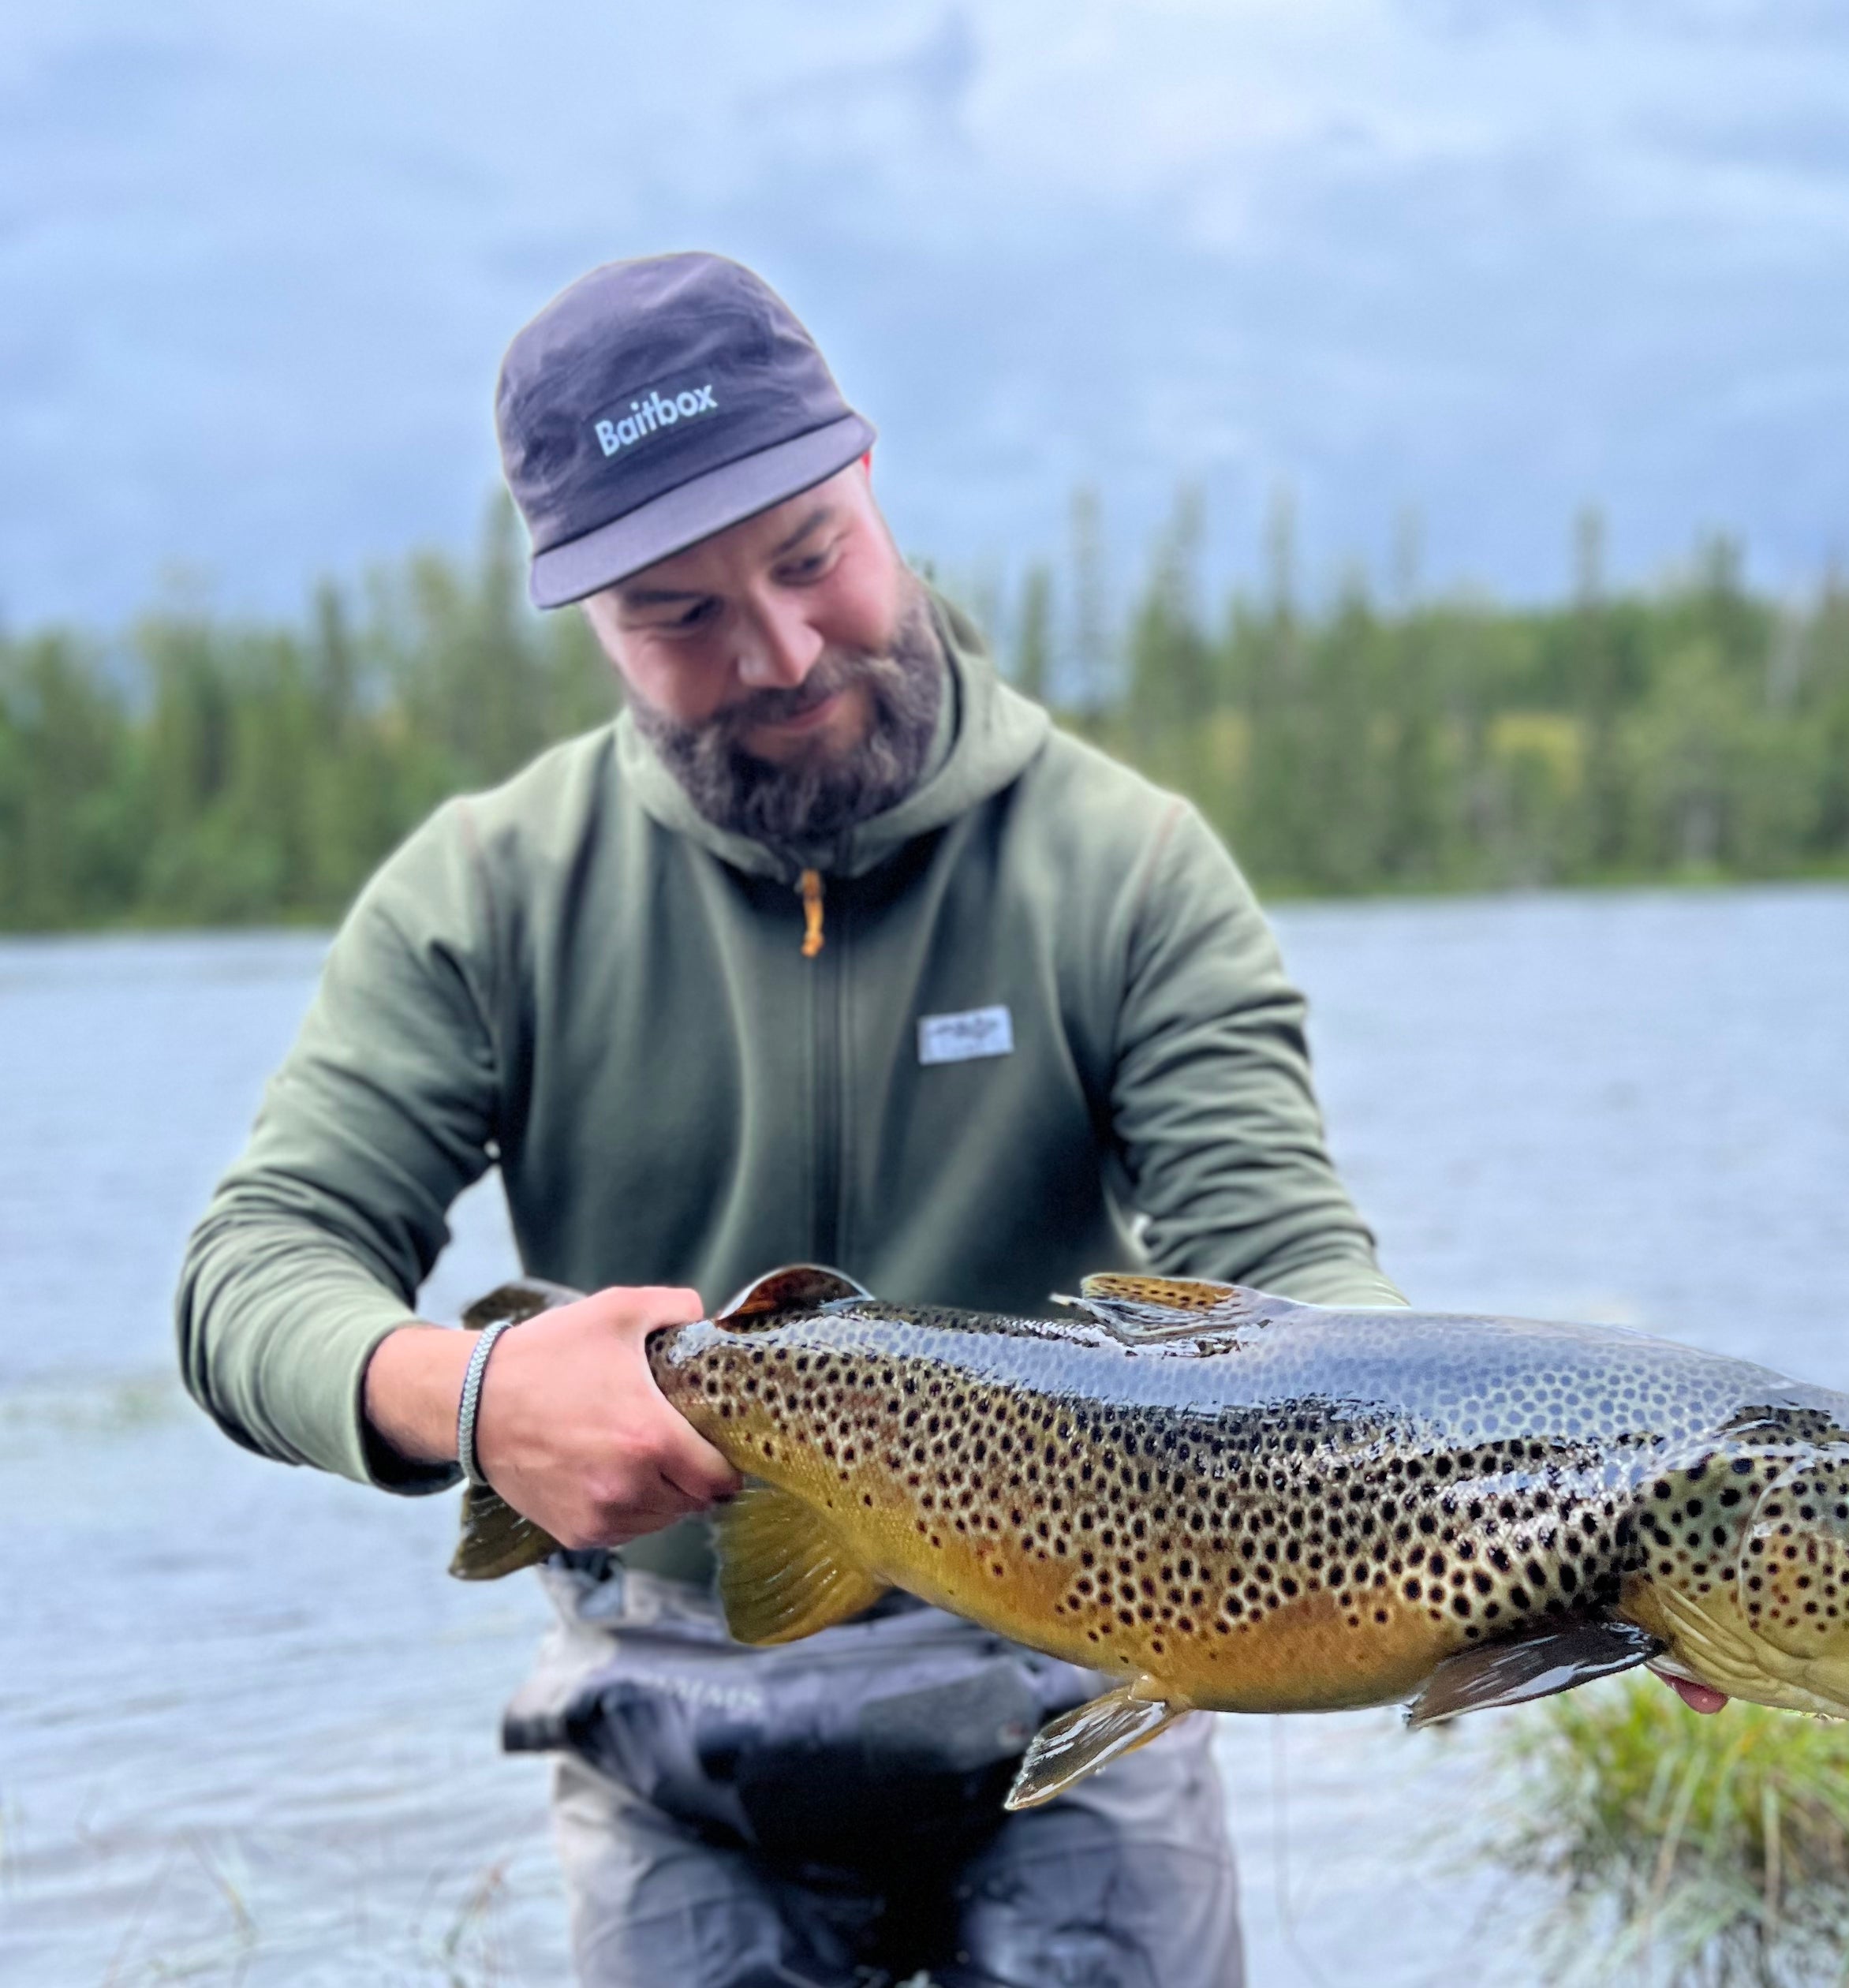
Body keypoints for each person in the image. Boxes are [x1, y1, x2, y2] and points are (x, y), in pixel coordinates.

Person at [176, 251, 1403, 1988]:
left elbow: (1285, 1267)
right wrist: (471, 1393)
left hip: (1080, 1698)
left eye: (809, 556)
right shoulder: (484, 895)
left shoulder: (1124, 869)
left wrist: (1531, 1523)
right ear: (585, 620)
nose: (779, 650)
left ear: (870, 481)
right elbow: (250, 1272)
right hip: (677, 1735)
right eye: (676, 615)